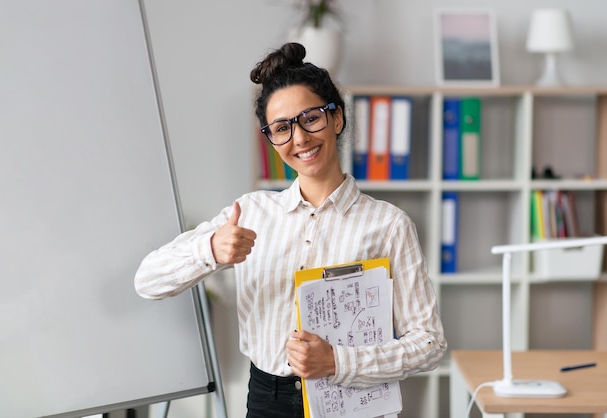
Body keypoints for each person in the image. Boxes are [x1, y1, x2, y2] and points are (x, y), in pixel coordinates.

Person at [134, 42, 446, 418]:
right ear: (270, 139)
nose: (299, 138)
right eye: (281, 128)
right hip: (268, 401)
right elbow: (147, 281)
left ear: (337, 119)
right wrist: (211, 250)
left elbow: (429, 343)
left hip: (352, 402)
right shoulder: (250, 213)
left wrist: (337, 362)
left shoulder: (389, 224)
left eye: (310, 118)